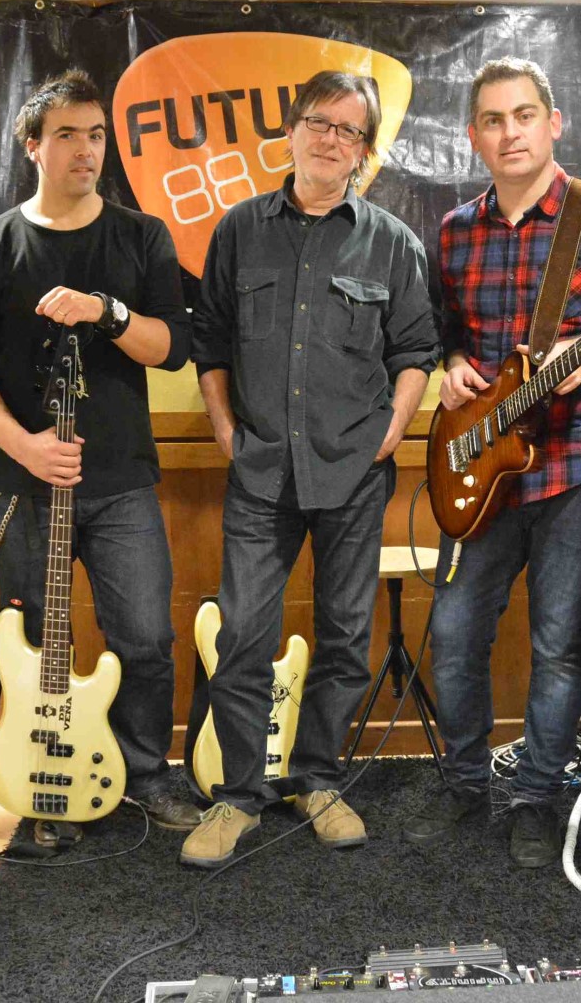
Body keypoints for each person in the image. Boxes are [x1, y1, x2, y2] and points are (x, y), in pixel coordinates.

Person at [0, 71, 202, 846]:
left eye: (95, 135)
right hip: (18, 483)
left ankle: (142, 774)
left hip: (120, 481)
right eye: (66, 135)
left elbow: (172, 347)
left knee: (145, 639)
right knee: (27, 645)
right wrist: (24, 445)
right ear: (32, 146)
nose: (85, 150)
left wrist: (106, 311)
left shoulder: (141, 236)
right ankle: (37, 780)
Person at [185, 70, 439, 868]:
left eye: (349, 131)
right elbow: (209, 340)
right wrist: (224, 427)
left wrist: (391, 431)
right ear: (292, 131)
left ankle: (319, 780)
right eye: (320, 123)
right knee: (242, 636)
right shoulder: (239, 231)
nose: (332, 140)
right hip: (260, 472)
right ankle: (237, 796)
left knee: (345, 635)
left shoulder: (392, 242)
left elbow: (416, 350)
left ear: (365, 151)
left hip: (354, 475)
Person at [402, 58, 581, 869]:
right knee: (454, 633)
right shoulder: (453, 231)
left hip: (573, 467)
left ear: (554, 123)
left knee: (559, 645)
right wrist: (450, 367)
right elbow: (446, 334)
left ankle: (537, 797)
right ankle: (465, 781)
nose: (511, 132)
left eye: (526, 115)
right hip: (481, 470)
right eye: (494, 120)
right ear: (474, 136)